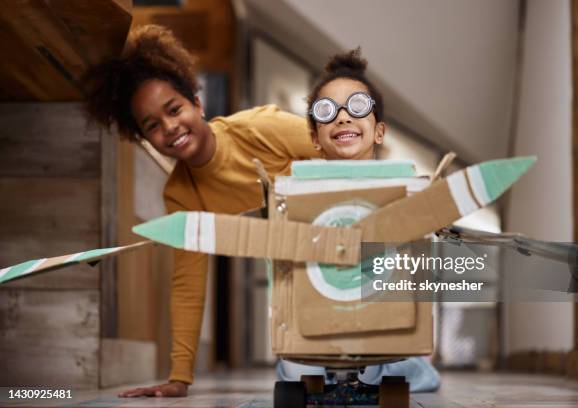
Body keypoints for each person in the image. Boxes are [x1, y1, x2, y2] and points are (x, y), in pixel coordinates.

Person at [83, 25, 321, 397]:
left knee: (390, 360)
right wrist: (180, 377)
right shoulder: (182, 195)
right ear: (146, 140)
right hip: (300, 285)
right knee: (297, 374)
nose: (170, 127)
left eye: (174, 109)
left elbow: (343, 155)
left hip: (351, 244)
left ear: (197, 102)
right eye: (153, 126)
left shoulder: (261, 128)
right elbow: (188, 285)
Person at [275, 48, 441, 392]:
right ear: (315, 139)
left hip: (380, 317)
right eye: (327, 112)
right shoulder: (301, 194)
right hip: (322, 321)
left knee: (400, 367)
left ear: (378, 131)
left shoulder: (401, 189)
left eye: (357, 107)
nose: (343, 118)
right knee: (294, 370)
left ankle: (410, 364)